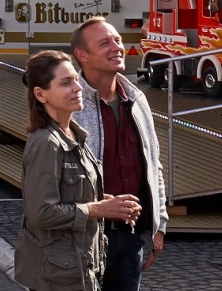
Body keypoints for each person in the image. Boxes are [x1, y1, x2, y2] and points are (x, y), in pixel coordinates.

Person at [17, 49, 136, 291]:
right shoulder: (46, 143)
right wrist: (96, 209)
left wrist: (110, 204)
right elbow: (41, 212)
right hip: (57, 276)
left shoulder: (73, 134)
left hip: (78, 268)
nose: (78, 87)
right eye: (66, 83)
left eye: (75, 80)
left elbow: (70, 194)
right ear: (40, 94)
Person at [70, 18, 166, 291]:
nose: (117, 47)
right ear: (82, 55)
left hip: (130, 237)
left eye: (118, 41)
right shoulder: (68, 103)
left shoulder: (136, 100)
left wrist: (159, 227)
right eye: (105, 43)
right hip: (84, 238)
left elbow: (153, 164)